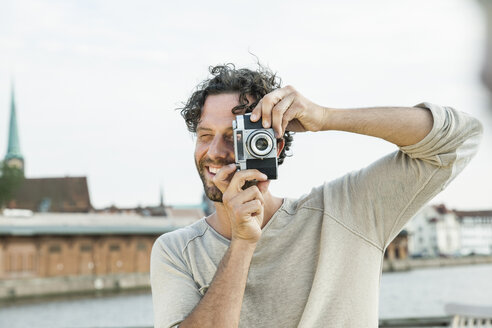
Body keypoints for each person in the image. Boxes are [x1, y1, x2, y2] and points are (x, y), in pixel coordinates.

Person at [151, 64, 483, 328]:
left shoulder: (348, 211)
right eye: (205, 135)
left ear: (273, 144)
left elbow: (460, 137)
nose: (214, 151)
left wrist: (326, 117)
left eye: (233, 136)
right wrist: (242, 242)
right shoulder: (177, 251)